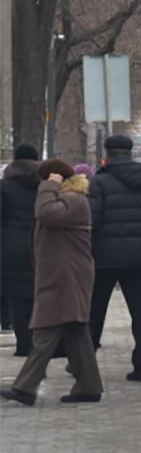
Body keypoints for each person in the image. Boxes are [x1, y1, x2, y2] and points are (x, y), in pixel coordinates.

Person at [1, 160, 103, 406]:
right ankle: (89, 386)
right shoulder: (68, 201)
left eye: (45, 179)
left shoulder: (74, 201)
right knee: (75, 331)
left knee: (45, 330)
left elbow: (44, 213)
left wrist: (49, 186)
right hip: (62, 275)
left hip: (65, 277)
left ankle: (25, 388)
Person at [87, 135, 141, 382]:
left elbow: (92, 220)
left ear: (107, 154)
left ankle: (85, 365)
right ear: (130, 153)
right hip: (139, 256)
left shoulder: (99, 182)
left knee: (95, 312)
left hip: (105, 256)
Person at [1, 144, 40, 355]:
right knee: (37, 294)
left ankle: (23, 344)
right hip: (39, 244)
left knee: (16, 297)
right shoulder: (42, 185)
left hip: (11, 246)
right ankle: (37, 341)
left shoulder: (4, 186)